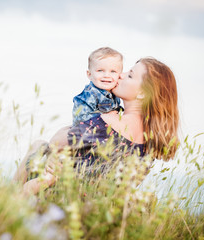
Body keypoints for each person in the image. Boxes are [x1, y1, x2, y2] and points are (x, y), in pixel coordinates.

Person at [13, 57, 179, 195]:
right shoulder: (151, 140)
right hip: (100, 210)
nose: (120, 75)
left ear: (143, 93)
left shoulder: (110, 121)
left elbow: (56, 141)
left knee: (39, 145)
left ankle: (7, 199)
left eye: (130, 75)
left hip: (66, 198)